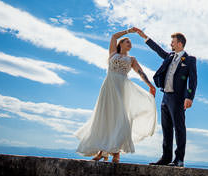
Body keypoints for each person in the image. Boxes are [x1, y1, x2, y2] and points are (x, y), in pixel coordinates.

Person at [74, 27, 157, 163]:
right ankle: (102, 151)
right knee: (105, 118)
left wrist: (150, 85)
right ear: (121, 44)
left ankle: (116, 152)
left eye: (131, 42)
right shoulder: (112, 53)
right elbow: (113, 36)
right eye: (127, 41)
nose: (130, 43)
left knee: (121, 119)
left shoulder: (132, 59)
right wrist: (128, 31)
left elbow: (140, 73)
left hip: (121, 89)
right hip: (108, 88)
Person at [135, 28, 197, 167]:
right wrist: (144, 37)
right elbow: (157, 49)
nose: (171, 44)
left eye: (173, 42)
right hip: (165, 97)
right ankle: (166, 157)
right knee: (166, 129)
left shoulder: (190, 60)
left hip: (178, 98)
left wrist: (189, 97)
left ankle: (179, 159)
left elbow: (193, 80)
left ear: (180, 43)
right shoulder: (169, 56)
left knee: (179, 128)